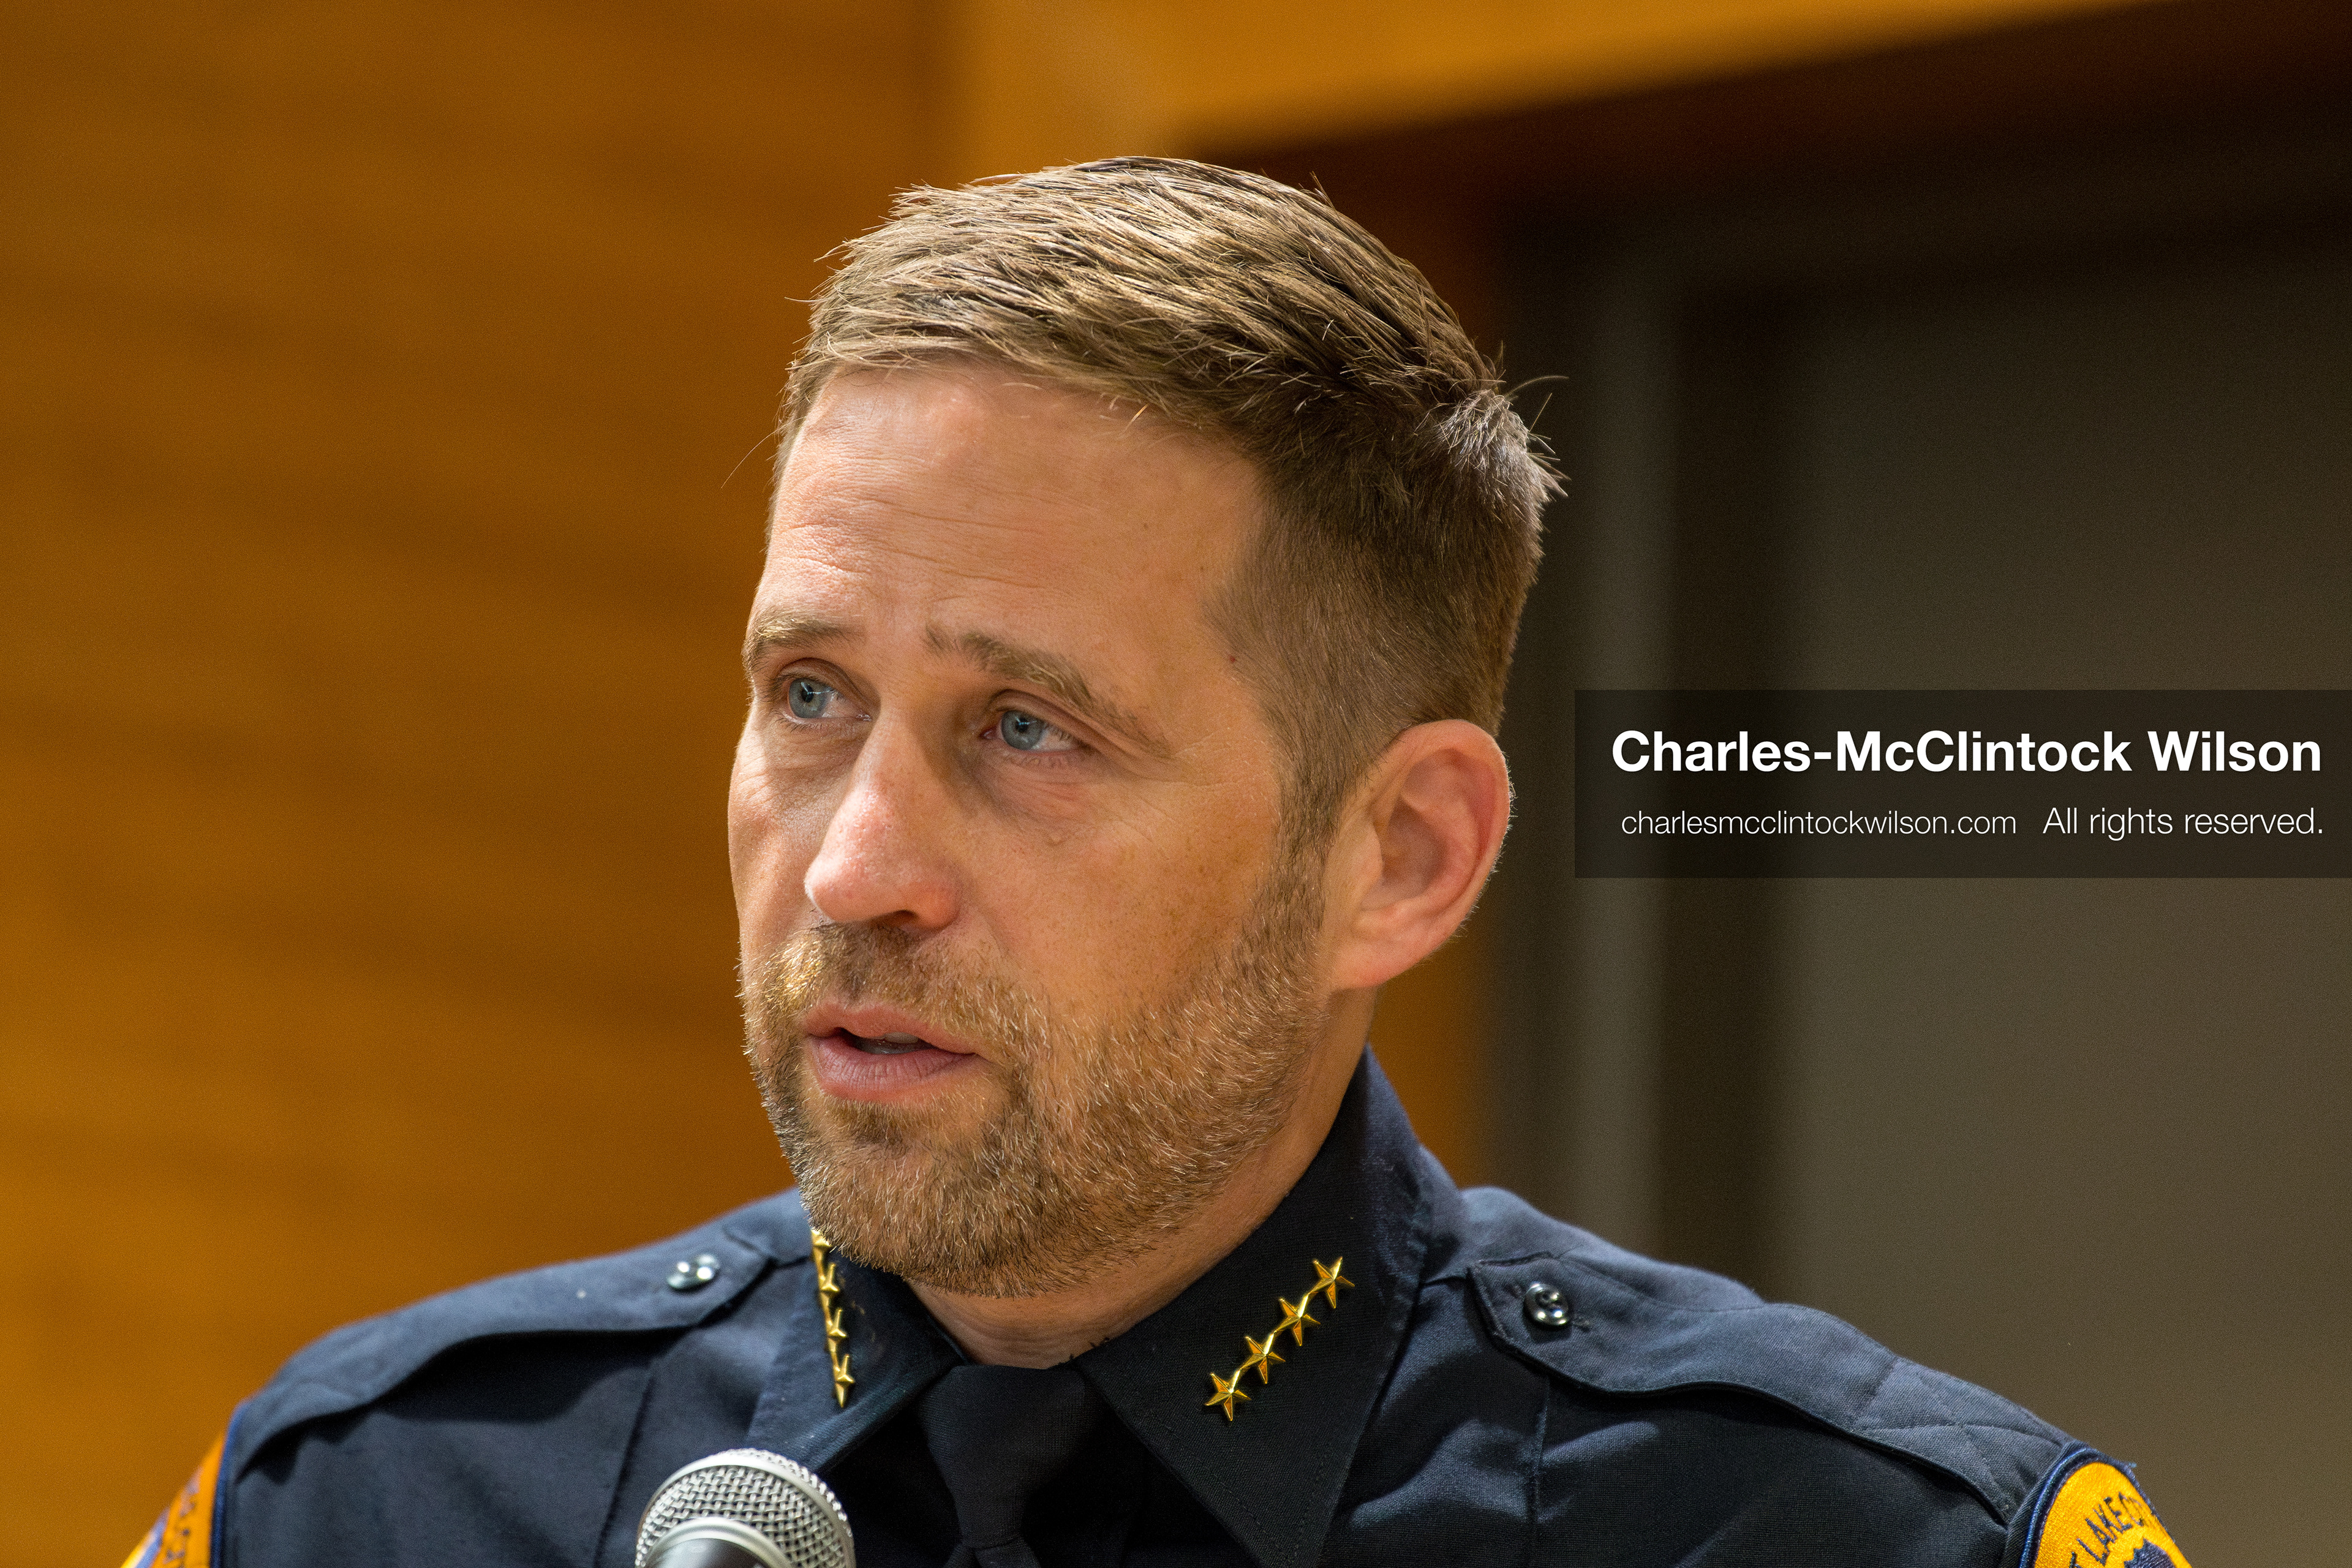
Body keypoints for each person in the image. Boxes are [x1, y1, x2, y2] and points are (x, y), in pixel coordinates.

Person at [125, 157, 2193, 1568]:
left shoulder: (1860, 1540)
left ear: (1399, 853)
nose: (856, 866)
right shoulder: (378, 1493)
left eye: (1029, 732)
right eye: (811, 697)